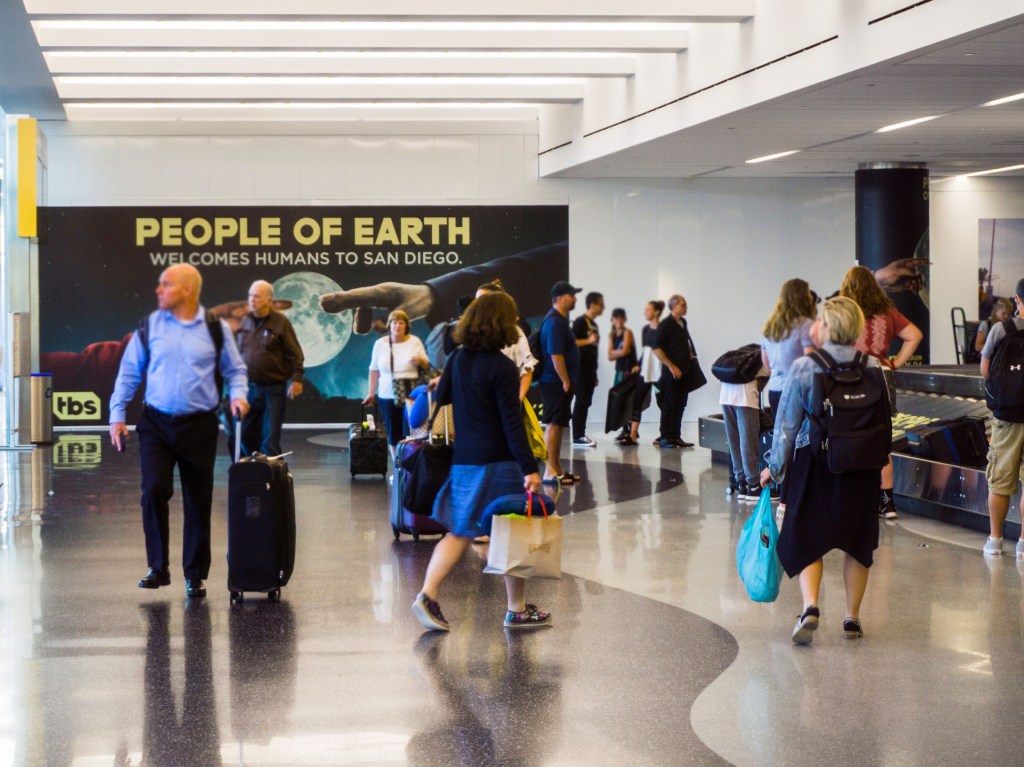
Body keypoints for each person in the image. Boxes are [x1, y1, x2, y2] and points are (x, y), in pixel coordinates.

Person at [411, 291, 548, 632]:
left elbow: (443, 399)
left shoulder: (457, 358)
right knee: (510, 532)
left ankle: (431, 595)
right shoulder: (502, 367)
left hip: (464, 459)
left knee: (460, 530)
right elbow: (510, 422)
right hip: (498, 462)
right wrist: (530, 468)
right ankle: (512, 609)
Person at [109, 264, 249, 599]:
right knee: (154, 491)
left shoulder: (215, 329)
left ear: (187, 290)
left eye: (166, 284)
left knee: (197, 500)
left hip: (199, 425)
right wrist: (116, 414)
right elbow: (129, 372)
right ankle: (158, 568)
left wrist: (239, 396)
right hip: (156, 423)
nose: (158, 290)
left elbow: (236, 370)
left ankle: (195, 575)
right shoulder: (150, 326)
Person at [759, 296, 885, 644]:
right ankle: (853, 618)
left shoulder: (805, 366)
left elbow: (787, 425)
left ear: (827, 327)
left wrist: (775, 468)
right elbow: (886, 418)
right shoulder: (874, 366)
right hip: (861, 466)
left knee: (806, 537)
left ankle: (811, 606)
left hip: (813, 461)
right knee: (858, 542)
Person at [840, 265, 923, 520]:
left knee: (849, 437)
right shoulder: (887, 311)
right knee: (882, 441)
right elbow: (915, 335)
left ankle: (854, 499)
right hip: (882, 378)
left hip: (850, 378)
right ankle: (887, 504)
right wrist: (895, 361)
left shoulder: (844, 312)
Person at [761, 279, 818, 516]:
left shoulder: (770, 326)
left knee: (783, 441)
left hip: (774, 390)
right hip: (798, 391)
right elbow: (811, 362)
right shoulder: (806, 325)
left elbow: (765, 364)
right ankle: (789, 500)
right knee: (799, 445)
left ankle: (783, 497)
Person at [234, 280, 305, 457]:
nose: (252, 300)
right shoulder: (245, 322)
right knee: (243, 434)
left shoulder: (281, 322)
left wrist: (297, 379)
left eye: (257, 296)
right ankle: (254, 471)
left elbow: (295, 353)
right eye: (250, 295)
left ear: (269, 299)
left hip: (273, 389)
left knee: (270, 438)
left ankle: (273, 479)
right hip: (249, 389)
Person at [981, 279, 1024, 559]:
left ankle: (995, 541)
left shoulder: (1002, 329)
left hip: (1007, 415)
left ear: (1019, 301)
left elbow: (985, 368)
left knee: (999, 480)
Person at [362, 309, 429, 456]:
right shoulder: (380, 344)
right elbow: (374, 370)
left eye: (400, 323)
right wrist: (371, 392)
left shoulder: (414, 341)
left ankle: (410, 469)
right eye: (394, 323)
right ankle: (398, 469)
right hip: (387, 394)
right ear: (389, 325)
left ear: (406, 326)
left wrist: (419, 360)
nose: (397, 326)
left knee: (412, 431)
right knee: (393, 433)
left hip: (411, 394)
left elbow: (427, 365)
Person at [538, 281, 582, 484]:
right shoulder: (555, 321)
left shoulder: (559, 320)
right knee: (554, 426)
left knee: (559, 424)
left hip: (559, 381)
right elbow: (556, 355)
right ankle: (549, 471)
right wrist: (565, 380)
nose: (574, 299)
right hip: (554, 381)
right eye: (571, 295)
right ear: (561, 298)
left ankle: (557, 468)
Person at [652, 294, 697, 448]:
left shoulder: (683, 322)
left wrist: (689, 353)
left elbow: (682, 342)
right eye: (683, 304)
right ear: (674, 306)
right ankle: (665, 437)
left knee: (680, 404)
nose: (686, 307)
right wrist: (671, 365)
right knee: (668, 404)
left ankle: (675, 436)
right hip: (671, 373)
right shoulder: (665, 325)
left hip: (685, 370)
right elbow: (656, 348)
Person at [720, 365, 769, 502]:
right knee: (748, 440)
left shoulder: (743, 360)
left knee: (734, 441)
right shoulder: (763, 361)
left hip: (725, 396)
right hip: (745, 398)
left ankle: (741, 483)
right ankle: (753, 486)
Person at [571, 292, 604, 447]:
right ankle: (577, 435)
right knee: (581, 402)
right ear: (593, 305)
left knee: (585, 402)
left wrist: (594, 373)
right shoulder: (580, 322)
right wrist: (588, 340)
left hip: (589, 371)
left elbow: (592, 350)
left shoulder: (594, 325)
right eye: (601, 304)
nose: (603, 307)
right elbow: (571, 343)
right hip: (580, 371)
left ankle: (580, 433)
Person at [608, 308, 640, 445]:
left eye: (621, 318)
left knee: (630, 401)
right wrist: (617, 352)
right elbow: (609, 356)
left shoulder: (628, 332)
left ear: (624, 320)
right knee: (620, 400)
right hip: (619, 371)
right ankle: (624, 429)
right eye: (616, 318)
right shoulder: (612, 335)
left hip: (630, 371)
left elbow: (626, 350)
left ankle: (633, 431)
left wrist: (616, 352)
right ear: (612, 320)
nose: (619, 321)